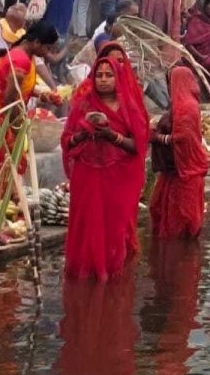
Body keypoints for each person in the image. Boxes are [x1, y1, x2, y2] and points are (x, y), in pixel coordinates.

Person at [62, 53, 150, 281]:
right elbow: (67, 140)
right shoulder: (84, 103)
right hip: (87, 174)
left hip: (116, 176)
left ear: (117, 77)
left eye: (108, 75)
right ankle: (85, 278)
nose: (103, 79)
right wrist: (82, 135)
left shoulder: (129, 106)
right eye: (99, 75)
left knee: (113, 227)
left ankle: (110, 279)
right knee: (86, 226)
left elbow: (138, 145)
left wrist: (112, 136)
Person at [0, 21, 61, 205]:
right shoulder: (21, 60)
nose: (48, 53)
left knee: (15, 162)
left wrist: (44, 96)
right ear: (36, 42)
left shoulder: (26, 55)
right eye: (47, 48)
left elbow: (20, 89)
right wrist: (19, 128)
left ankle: (5, 207)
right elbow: (9, 100)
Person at [148, 65, 208, 238]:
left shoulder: (187, 106)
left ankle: (179, 254)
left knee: (181, 220)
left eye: (171, 82)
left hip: (185, 172)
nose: (169, 87)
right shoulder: (181, 104)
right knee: (158, 209)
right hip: (173, 171)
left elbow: (183, 137)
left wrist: (158, 137)